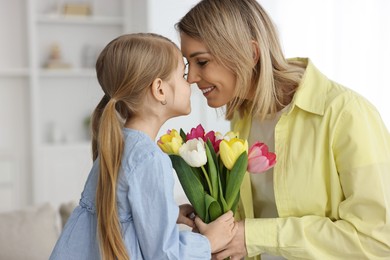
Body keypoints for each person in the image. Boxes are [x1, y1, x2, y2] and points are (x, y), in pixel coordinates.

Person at [176, 0, 390, 259]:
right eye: (188, 64)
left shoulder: (347, 114)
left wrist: (253, 236)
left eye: (202, 61)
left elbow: (377, 240)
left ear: (250, 53)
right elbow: (255, 219)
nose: (190, 78)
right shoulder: (243, 119)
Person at [49, 33, 238, 260]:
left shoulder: (118, 144)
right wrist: (209, 242)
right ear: (160, 90)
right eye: (183, 74)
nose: (190, 82)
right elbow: (164, 255)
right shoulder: (149, 158)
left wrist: (169, 214)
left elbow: (118, 215)